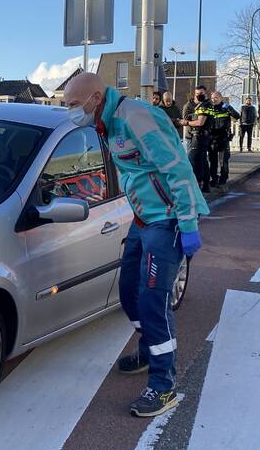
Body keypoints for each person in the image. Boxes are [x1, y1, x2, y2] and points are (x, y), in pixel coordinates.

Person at [64, 73, 209, 417]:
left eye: (72, 103)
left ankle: (163, 387)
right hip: (144, 219)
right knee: (128, 290)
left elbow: (178, 169)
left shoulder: (135, 117)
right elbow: (132, 173)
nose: (69, 110)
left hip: (168, 218)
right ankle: (149, 350)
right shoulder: (107, 122)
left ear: (95, 98)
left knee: (152, 300)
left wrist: (187, 224)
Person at [181, 86, 216, 192]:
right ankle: (205, 185)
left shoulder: (205, 105)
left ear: (205, 93)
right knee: (203, 161)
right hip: (200, 136)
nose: (199, 95)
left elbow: (200, 122)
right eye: (197, 93)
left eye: (201, 93)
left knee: (193, 161)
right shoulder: (205, 105)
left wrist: (187, 122)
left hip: (199, 135)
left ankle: (196, 185)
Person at [207, 92, 240, 188]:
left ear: (221, 98)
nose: (214, 100)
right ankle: (213, 178)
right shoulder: (210, 109)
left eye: (216, 98)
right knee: (212, 161)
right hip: (212, 138)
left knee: (223, 160)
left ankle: (223, 178)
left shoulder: (225, 108)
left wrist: (229, 108)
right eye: (212, 98)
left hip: (223, 138)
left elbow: (237, 116)